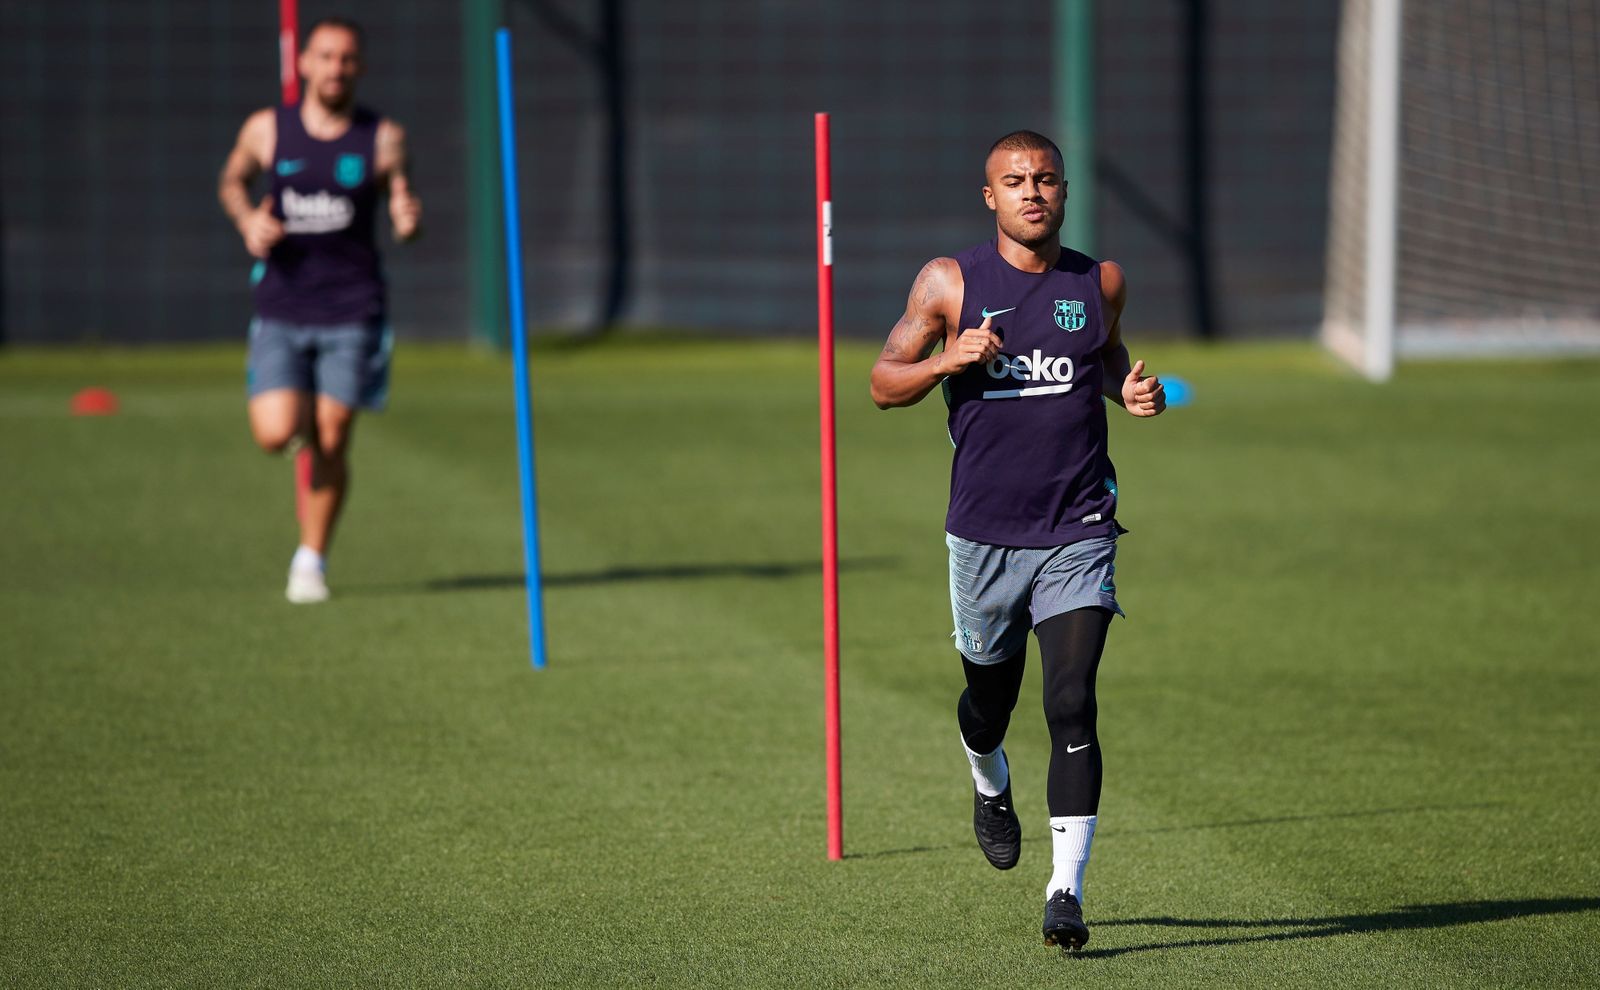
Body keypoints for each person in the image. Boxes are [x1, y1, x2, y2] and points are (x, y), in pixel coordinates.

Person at [868, 130, 1165, 951]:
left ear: (1064, 191)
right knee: (988, 702)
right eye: (1015, 180)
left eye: (1046, 179)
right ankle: (986, 770)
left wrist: (1129, 390)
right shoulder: (949, 283)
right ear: (989, 196)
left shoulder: (1100, 282)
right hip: (985, 536)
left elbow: (1102, 359)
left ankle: (1065, 891)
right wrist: (945, 362)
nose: (1033, 192)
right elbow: (882, 384)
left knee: (1071, 698)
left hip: (1079, 525)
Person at [217, 16, 421, 603]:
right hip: (282, 305)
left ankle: (310, 560)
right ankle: (297, 407)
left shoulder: (383, 138)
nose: (336, 68)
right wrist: (247, 219)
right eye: (326, 57)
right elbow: (231, 181)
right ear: (304, 63)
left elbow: (404, 207)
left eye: (347, 59)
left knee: (333, 439)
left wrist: (408, 221)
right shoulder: (268, 129)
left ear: (360, 67)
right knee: (275, 433)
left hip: (353, 308)